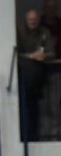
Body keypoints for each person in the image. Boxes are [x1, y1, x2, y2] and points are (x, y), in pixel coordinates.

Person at [16, 9, 54, 141]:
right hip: (22, 77)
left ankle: (33, 136)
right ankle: (22, 135)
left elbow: (51, 53)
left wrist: (43, 56)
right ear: (26, 20)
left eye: (35, 19)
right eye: (30, 19)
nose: (33, 21)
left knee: (34, 108)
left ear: (39, 20)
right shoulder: (19, 32)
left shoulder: (44, 32)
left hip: (38, 78)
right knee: (22, 108)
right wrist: (30, 56)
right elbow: (15, 52)